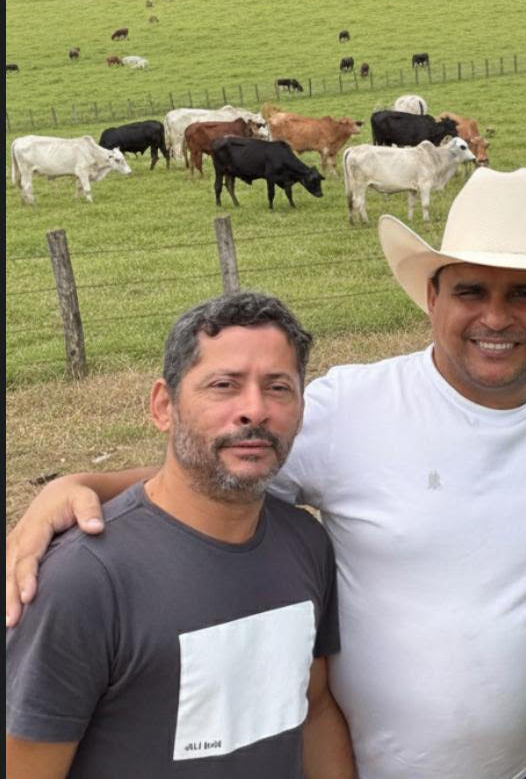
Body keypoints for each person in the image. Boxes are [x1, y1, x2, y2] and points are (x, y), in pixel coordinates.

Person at [6, 168, 526, 779]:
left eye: (524, 293)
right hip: (372, 766)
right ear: (432, 297)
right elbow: (220, 463)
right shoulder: (353, 407)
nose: (496, 317)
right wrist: (78, 487)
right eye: (470, 291)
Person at [5, 292, 353, 778]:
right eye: (224, 385)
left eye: (278, 388)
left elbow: (314, 710)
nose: (254, 409)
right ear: (163, 406)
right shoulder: (84, 579)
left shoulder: (305, 542)